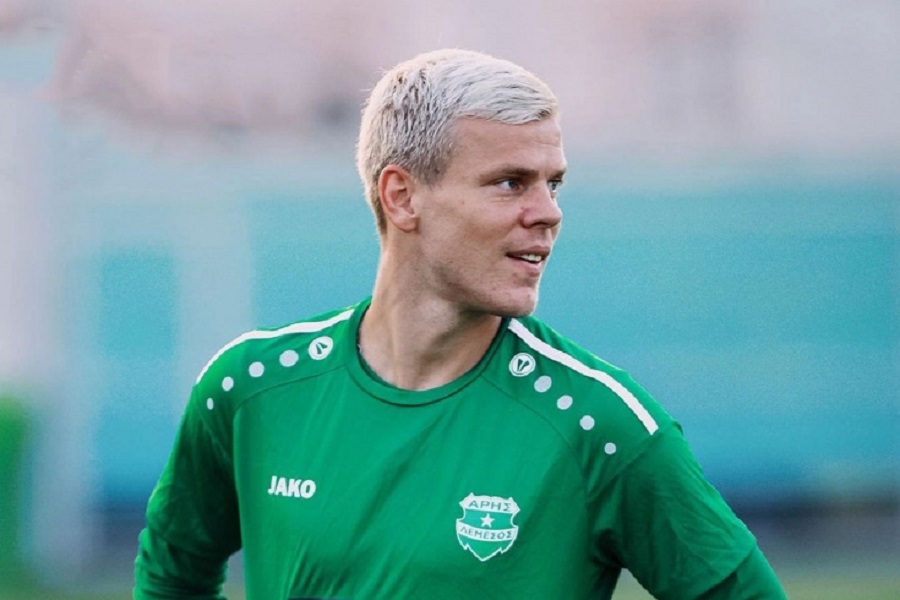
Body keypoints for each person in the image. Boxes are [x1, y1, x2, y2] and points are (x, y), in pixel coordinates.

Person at [134, 48, 786, 599]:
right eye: (510, 183)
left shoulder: (600, 425)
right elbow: (171, 574)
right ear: (401, 196)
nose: (548, 212)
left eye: (553, 184)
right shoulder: (250, 388)